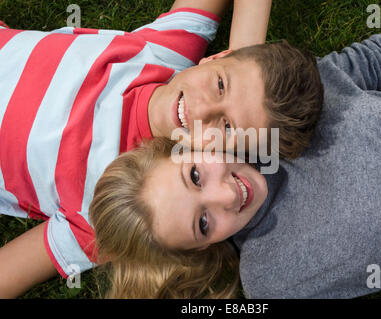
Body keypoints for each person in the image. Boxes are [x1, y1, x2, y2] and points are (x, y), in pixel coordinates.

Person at [88, 27, 381, 298]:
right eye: (202, 223)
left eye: (196, 176)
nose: (226, 196)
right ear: (200, 247)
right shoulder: (270, 281)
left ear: (185, 147)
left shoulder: (279, 105)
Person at [1, 0, 321, 298]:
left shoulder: (126, 209)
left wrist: (234, 71)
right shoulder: (165, 52)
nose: (202, 109)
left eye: (226, 129)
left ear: (229, 154)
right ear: (216, 57)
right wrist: (243, 56)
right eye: (220, 85)